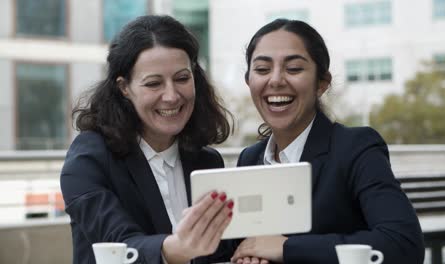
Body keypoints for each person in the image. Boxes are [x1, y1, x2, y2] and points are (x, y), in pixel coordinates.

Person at [230, 19, 425, 264]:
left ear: (321, 83)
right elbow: (250, 247)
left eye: (294, 69)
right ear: (249, 81)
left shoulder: (356, 148)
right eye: (262, 69)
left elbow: (403, 244)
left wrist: (287, 248)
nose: (276, 80)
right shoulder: (250, 159)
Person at [60, 15, 235, 264]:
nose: (172, 96)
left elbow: (220, 252)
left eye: (182, 78)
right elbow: (118, 246)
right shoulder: (89, 159)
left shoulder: (207, 161)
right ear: (124, 88)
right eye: (154, 83)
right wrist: (176, 248)